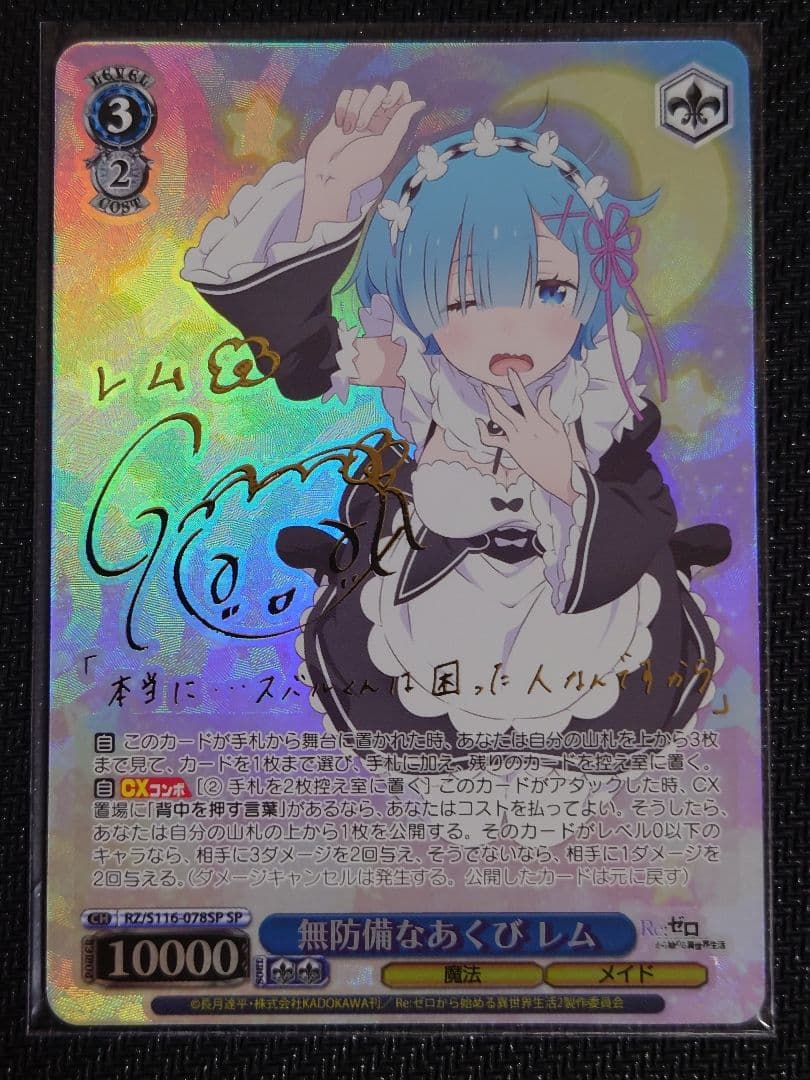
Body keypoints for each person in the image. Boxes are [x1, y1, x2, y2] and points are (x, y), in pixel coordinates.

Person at [182, 81, 729, 762]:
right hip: (430, 595)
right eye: (466, 296)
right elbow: (301, 362)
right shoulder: (420, 368)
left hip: (587, 609)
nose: (510, 327)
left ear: (590, 290)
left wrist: (564, 480)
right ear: (418, 302)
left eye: (549, 289)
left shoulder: (599, 400)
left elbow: (637, 504)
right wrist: (325, 195)